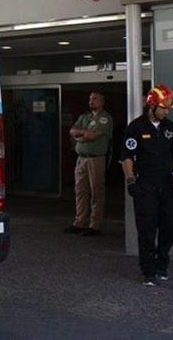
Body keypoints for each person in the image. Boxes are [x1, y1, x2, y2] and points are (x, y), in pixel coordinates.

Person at [121, 84, 173, 286]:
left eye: (168, 108)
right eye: (164, 108)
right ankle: (149, 270)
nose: (167, 112)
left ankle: (162, 258)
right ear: (152, 106)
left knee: (172, 227)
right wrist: (130, 180)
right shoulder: (135, 127)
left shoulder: (171, 129)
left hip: (167, 184)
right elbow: (127, 157)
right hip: (144, 185)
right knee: (147, 229)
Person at [66, 91, 113, 236]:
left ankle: (94, 225)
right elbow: (72, 131)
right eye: (90, 99)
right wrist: (83, 134)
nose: (91, 101)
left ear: (102, 101)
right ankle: (79, 222)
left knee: (96, 192)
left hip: (96, 159)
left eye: (95, 99)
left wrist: (80, 135)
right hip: (81, 158)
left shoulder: (105, 118)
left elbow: (92, 135)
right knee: (80, 191)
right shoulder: (84, 117)